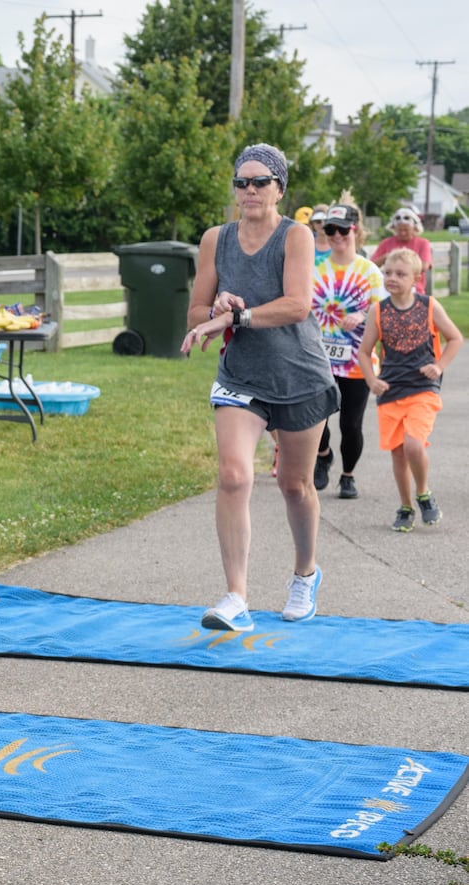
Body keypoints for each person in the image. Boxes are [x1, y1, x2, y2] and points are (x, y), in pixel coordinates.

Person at [181, 143, 338, 633]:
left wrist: (238, 315)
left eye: (260, 182)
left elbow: (297, 305)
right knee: (233, 476)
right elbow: (195, 311)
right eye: (241, 182)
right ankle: (236, 598)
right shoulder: (215, 239)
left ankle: (305, 574)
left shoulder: (296, 237)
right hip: (240, 377)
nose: (249, 191)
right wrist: (214, 311)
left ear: (279, 189)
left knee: (295, 486)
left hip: (299, 375)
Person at [357, 248, 463, 531]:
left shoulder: (429, 306)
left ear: (416, 278)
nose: (392, 278)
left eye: (400, 274)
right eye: (388, 272)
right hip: (390, 390)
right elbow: (364, 353)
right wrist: (371, 380)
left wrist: (439, 367)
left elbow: (454, 338)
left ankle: (424, 493)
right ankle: (405, 507)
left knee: (414, 445)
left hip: (423, 389)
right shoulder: (377, 311)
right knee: (398, 453)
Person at [309, 204, 386, 499]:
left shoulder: (369, 271)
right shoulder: (315, 268)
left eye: (342, 229)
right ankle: (323, 454)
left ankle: (348, 475)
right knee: (316, 418)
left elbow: (381, 309)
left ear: (355, 230)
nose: (336, 235)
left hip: (357, 359)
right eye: (330, 230)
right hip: (318, 357)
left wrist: (363, 316)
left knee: (351, 424)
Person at [371, 207, 433, 294]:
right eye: (400, 230)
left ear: (414, 228)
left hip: (414, 290)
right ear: (394, 228)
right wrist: (386, 257)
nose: (402, 233)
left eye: (406, 230)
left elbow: (425, 266)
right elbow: (372, 265)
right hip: (390, 290)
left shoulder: (423, 243)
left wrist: (403, 263)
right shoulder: (386, 243)